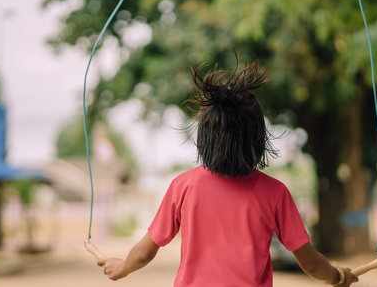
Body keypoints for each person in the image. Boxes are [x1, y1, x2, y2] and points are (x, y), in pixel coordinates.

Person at [97, 51, 359, 287]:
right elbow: (310, 263)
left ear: (205, 138)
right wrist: (337, 276)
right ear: (258, 137)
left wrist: (122, 268)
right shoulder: (275, 192)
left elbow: (144, 252)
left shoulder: (183, 186)